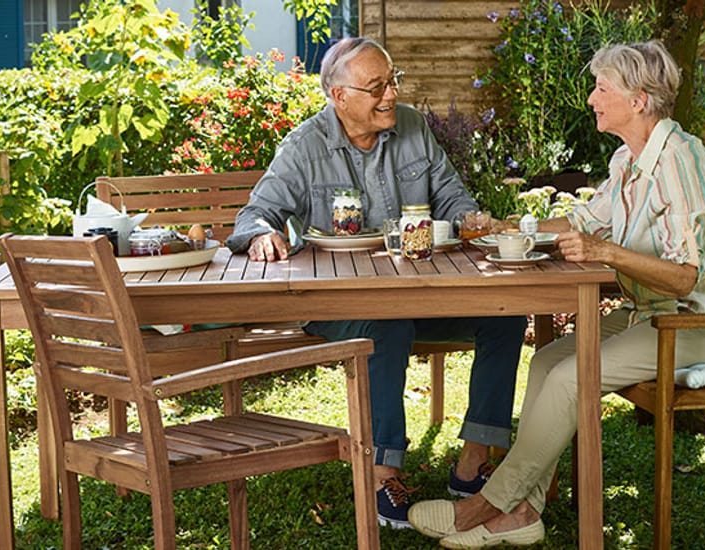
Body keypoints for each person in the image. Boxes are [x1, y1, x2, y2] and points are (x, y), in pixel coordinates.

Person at [406, 41, 705, 549]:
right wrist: (507, 227)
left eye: (602, 88)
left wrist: (606, 253)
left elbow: (684, 277)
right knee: (547, 361)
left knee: (573, 377)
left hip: (704, 324)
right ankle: (523, 511)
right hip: (653, 314)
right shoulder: (630, 159)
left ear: (638, 100)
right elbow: (582, 222)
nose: (592, 98)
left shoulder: (681, 163)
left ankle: (486, 507)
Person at [226, 37, 527, 529]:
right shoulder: (305, 146)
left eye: (392, 82)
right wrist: (262, 234)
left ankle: (473, 464)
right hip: (342, 304)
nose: (390, 95)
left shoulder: (410, 126)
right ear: (339, 96)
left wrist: (469, 216)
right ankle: (383, 473)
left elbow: (450, 193)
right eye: (375, 87)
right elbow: (255, 214)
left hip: (419, 293)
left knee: (506, 313)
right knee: (385, 329)